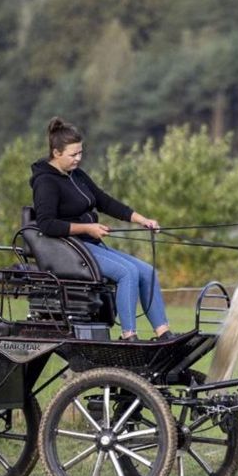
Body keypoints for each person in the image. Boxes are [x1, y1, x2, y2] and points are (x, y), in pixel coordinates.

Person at [30, 117, 173, 342]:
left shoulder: (76, 175)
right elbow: (46, 224)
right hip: (72, 248)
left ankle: (164, 333)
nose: (78, 158)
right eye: (73, 154)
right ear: (56, 153)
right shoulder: (45, 182)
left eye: (80, 153)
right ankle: (129, 335)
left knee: (148, 272)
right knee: (128, 273)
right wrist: (88, 227)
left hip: (90, 244)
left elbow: (104, 201)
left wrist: (141, 219)